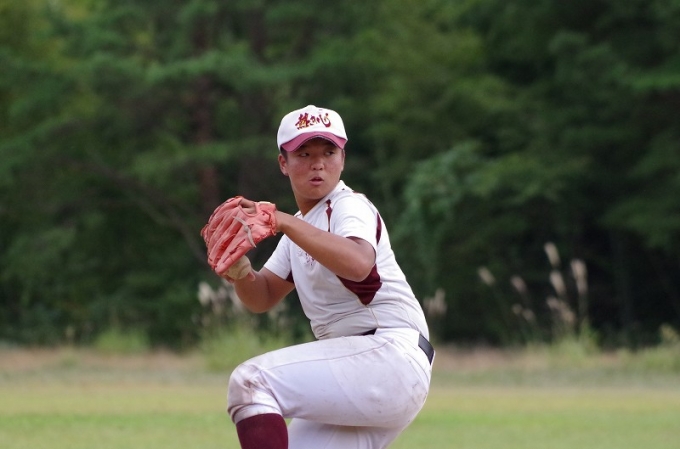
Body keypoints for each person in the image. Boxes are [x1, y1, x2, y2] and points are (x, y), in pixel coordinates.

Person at [224, 105, 434, 449]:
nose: (318, 163)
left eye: (328, 152)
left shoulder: (348, 206)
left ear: (343, 159)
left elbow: (358, 263)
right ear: (283, 163)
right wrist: (241, 272)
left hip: (388, 355)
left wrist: (282, 221)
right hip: (363, 369)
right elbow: (262, 297)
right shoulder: (300, 227)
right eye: (304, 154)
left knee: (252, 382)